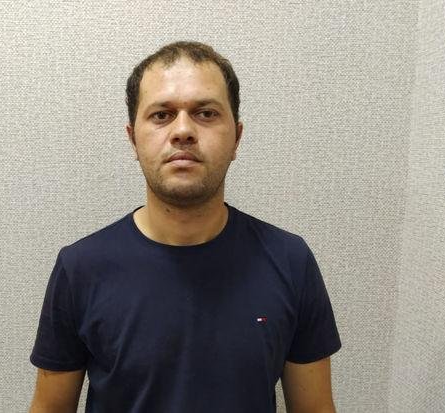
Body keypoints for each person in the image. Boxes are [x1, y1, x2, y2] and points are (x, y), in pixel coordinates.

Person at [29, 41, 342, 413]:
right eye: (161, 115)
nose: (183, 131)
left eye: (205, 113)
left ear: (237, 137)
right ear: (133, 139)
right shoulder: (81, 268)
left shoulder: (290, 261)